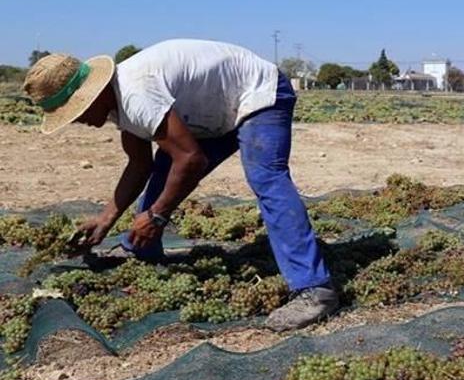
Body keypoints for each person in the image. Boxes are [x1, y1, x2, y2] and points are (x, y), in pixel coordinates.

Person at [23, 39, 338, 330]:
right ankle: (140, 249)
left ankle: (314, 290)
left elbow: (192, 160)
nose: (76, 120)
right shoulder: (121, 100)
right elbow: (140, 165)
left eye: (75, 111)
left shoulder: (135, 96)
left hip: (259, 94)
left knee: (266, 176)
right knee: (165, 167)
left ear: (92, 94)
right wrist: (105, 220)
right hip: (219, 109)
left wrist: (157, 214)